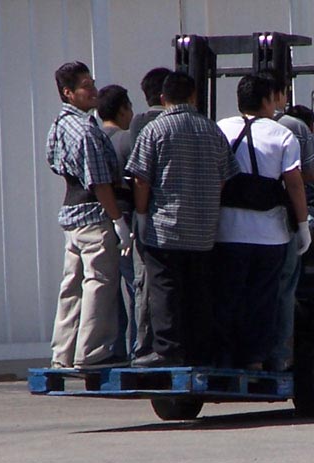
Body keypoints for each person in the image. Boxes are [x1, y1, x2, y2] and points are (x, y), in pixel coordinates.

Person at [125, 71, 238, 367]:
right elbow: (225, 177)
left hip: (165, 227)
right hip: (203, 229)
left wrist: (140, 213)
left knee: (165, 288)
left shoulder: (154, 130)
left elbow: (140, 179)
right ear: (193, 97)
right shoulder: (212, 131)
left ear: (163, 99)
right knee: (198, 291)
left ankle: (167, 349)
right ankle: (200, 350)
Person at [215, 74, 311, 371]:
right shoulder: (282, 134)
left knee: (227, 297)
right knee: (262, 300)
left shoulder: (219, 129)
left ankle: (224, 357)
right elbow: (294, 184)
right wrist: (303, 224)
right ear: (268, 100)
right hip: (270, 236)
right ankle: (256, 360)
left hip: (227, 232)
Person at [46, 61, 131, 370]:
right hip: (94, 215)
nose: (93, 90)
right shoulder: (85, 130)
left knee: (72, 285)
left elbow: (53, 161)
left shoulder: (60, 123)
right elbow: (99, 182)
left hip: (71, 215)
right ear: (68, 93)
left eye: (92, 83)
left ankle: (63, 353)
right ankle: (92, 353)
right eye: (86, 86)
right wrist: (118, 220)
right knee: (99, 281)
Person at [260, 72, 314, 372]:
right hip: (284, 221)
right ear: (279, 95)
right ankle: (281, 354)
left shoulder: (233, 127)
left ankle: (252, 354)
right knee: (284, 288)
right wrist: (303, 224)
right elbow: (309, 175)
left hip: (241, 226)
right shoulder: (291, 127)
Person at [129, 67, 171, 359]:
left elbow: (138, 176)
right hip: (176, 217)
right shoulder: (189, 121)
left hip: (148, 213)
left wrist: (141, 213)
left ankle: (143, 344)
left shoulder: (140, 123)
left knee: (144, 282)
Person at [97, 84, 136, 358]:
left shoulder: (95, 137)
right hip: (126, 214)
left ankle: (114, 350)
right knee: (135, 287)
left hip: (99, 217)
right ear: (122, 109)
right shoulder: (126, 139)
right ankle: (137, 348)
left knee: (109, 290)